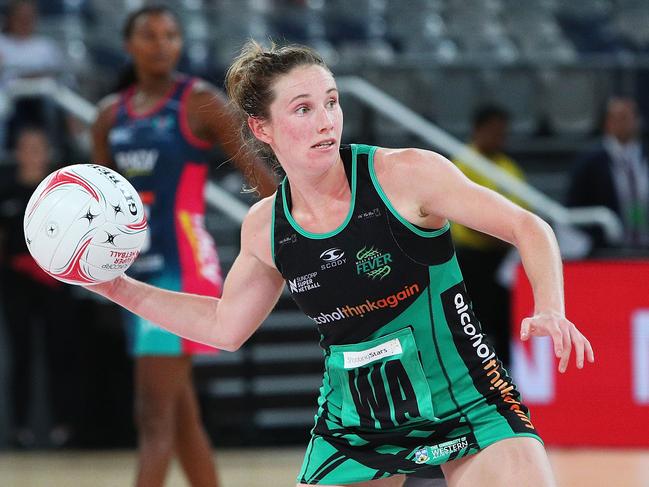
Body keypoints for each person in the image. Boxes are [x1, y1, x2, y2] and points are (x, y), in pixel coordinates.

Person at [87, 41, 594, 487]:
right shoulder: (266, 228)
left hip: (467, 401)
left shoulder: (406, 175)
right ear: (261, 127)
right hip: (354, 424)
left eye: (331, 102)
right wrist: (118, 288)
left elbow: (531, 228)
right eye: (304, 109)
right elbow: (224, 327)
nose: (326, 120)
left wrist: (551, 305)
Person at [91, 7, 276, 487]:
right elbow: (98, 202)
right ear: (128, 44)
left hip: (184, 266)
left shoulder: (198, 102)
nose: (161, 43)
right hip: (134, 272)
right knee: (180, 419)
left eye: (170, 35)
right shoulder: (109, 115)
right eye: (149, 35)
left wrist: (305, 227)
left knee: (153, 417)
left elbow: (260, 178)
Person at [0, 126, 82, 448]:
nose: (32, 153)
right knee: (21, 352)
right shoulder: (5, 189)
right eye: (26, 146)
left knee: (59, 350)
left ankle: (64, 425)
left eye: (38, 147)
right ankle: (20, 427)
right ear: (16, 151)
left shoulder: (58, 191)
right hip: (16, 282)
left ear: (48, 151)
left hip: (54, 281)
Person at [451, 105, 527, 369]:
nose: (499, 138)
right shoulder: (463, 164)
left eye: (502, 133)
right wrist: (507, 235)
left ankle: (508, 382)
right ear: (478, 130)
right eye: (494, 132)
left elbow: (524, 210)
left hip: (503, 258)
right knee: (475, 324)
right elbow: (466, 217)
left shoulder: (508, 166)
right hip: (472, 259)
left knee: (506, 322)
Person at [566, 96, 649, 250]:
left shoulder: (644, 156)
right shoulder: (590, 163)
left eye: (626, 117)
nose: (621, 123)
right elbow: (574, 208)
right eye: (615, 118)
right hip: (607, 250)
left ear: (637, 120)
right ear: (606, 123)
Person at [0, 0, 66, 149]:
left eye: (28, 17)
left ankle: (54, 148)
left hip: (43, 102)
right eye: (20, 17)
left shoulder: (46, 46)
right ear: (10, 17)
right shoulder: (2, 43)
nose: (24, 21)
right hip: (8, 105)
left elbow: (58, 77)